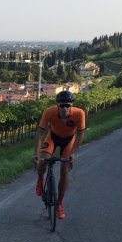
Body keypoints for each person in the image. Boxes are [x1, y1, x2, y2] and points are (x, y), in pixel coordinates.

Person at [32, 90, 86, 220]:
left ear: (72, 105)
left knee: (64, 169)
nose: (65, 108)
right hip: (52, 137)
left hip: (69, 140)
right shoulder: (49, 112)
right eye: (62, 105)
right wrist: (36, 154)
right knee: (43, 160)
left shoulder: (79, 113)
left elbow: (80, 135)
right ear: (57, 105)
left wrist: (73, 153)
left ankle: (59, 203)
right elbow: (39, 134)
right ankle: (40, 178)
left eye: (68, 105)